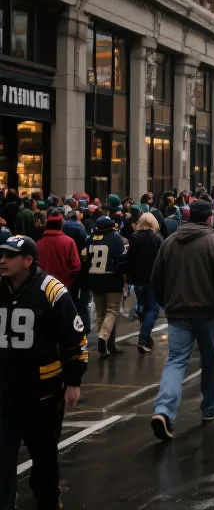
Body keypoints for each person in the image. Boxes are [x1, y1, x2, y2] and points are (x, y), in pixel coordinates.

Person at [0, 235, 88, 509]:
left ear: (28, 260)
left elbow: (75, 338)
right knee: (2, 459)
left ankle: (48, 500)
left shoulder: (51, 289)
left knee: (44, 458)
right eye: (1, 255)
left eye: (9, 256)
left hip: (42, 393)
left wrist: (73, 382)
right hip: (4, 390)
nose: (2, 261)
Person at [149, 202, 214, 441]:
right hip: (207, 311)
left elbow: (156, 278)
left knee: (176, 360)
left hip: (178, 311)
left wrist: (166, 302)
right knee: (211, 359)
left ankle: (163, 410)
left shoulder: (170, 241)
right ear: (210, 218)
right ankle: (210, 408)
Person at [84, 215, 128, 356]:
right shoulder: (115, 238)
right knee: (112, 310)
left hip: (94, 278)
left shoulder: (90, 239)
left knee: (100, 312)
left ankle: (101, 341)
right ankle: (103, 336)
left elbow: (84, 258)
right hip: (111, 278)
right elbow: (122, 258)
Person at [126, 213, 163, 353]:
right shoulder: (157, 238)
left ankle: (146, 338)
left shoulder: (134, 238)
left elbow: (129, 259)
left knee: (143, 308)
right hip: (152, 279)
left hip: (137, 279)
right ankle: (143, 338)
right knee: (153, 309)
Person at [35, 210, 81, 306]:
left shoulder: (38, 244)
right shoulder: (69, 242)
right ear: (61, 225)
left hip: (42, 288)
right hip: (64, 287)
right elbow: (76, 266)